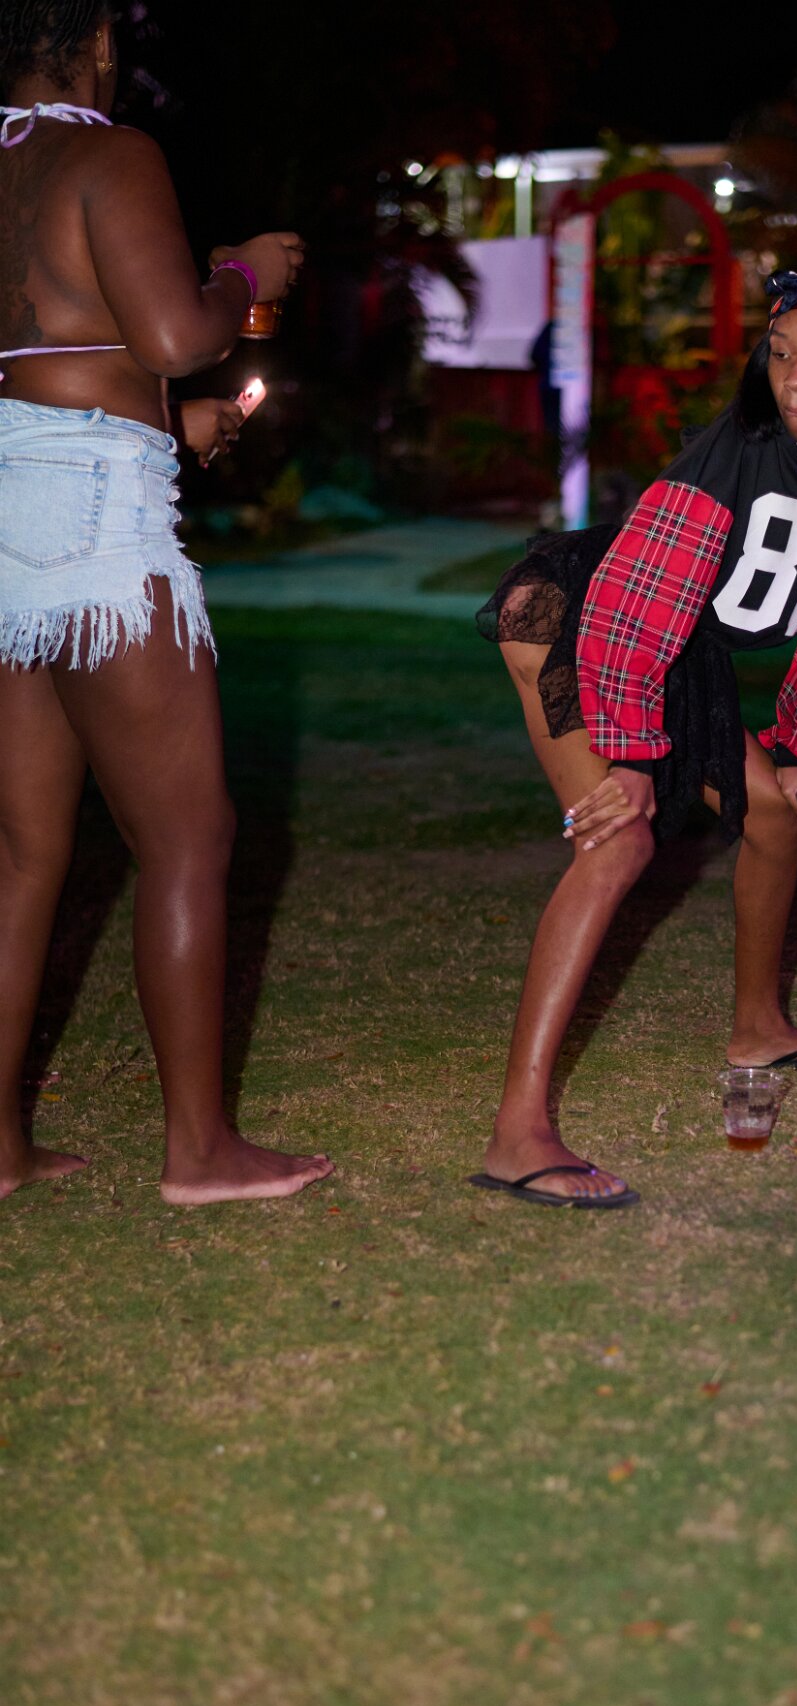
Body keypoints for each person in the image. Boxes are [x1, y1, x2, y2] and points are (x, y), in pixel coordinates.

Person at [472, 270, 797, 1209]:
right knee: (618, 840)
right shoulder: (738, 449)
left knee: (776, 813)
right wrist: (632, 755)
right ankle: (517, 1135)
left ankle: (759, 1027)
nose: (795, 376)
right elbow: (639, 602)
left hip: (677, 641)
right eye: (780, 353)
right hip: (575, 616)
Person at [0, 1, 332, 1203]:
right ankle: (199, 1151)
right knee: (188, 840)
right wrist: (245, 272)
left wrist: (169, 424)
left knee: (22, 854)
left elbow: (53, 352)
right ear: (97, 38)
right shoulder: (110, 152)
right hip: (94, 520)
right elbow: (176, 332)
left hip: (10, 502)